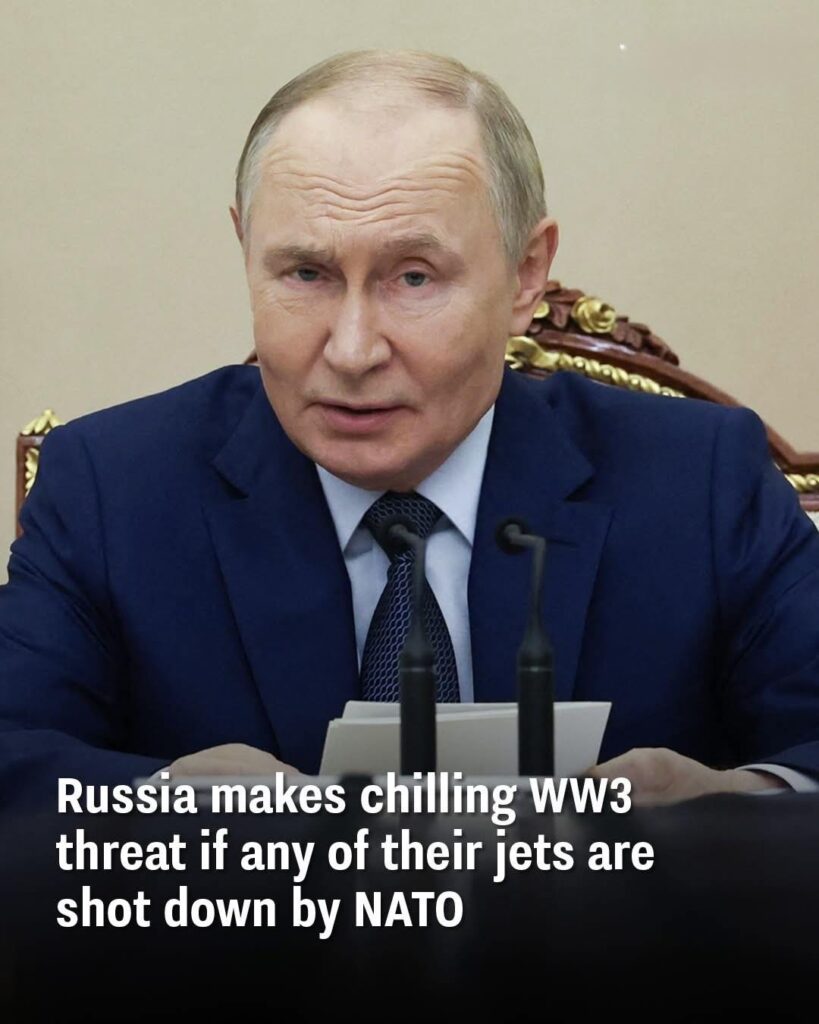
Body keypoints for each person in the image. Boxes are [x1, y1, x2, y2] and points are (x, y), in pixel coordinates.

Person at [1, 50, 818, 812]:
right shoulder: (112, 489)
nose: (352, 350)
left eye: (414, 278)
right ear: (246, 248)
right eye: (306, 273)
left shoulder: (698, 482)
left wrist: (736, 809)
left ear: (525, 274)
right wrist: (160, 802)